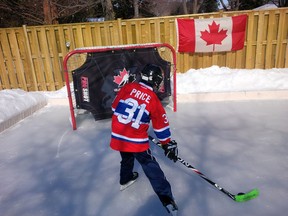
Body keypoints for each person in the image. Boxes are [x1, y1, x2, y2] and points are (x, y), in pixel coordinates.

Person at [110, 64, 179, 215]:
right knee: (150, 165)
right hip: (135, 139)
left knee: (126, 156)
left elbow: (114, 108)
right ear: (156, 81)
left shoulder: (127, 88)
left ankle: (125, 179)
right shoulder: (153, 100)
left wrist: (133, 124)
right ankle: (167, 200)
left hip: (118, 135)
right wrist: (167, 144)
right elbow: (160, 127)